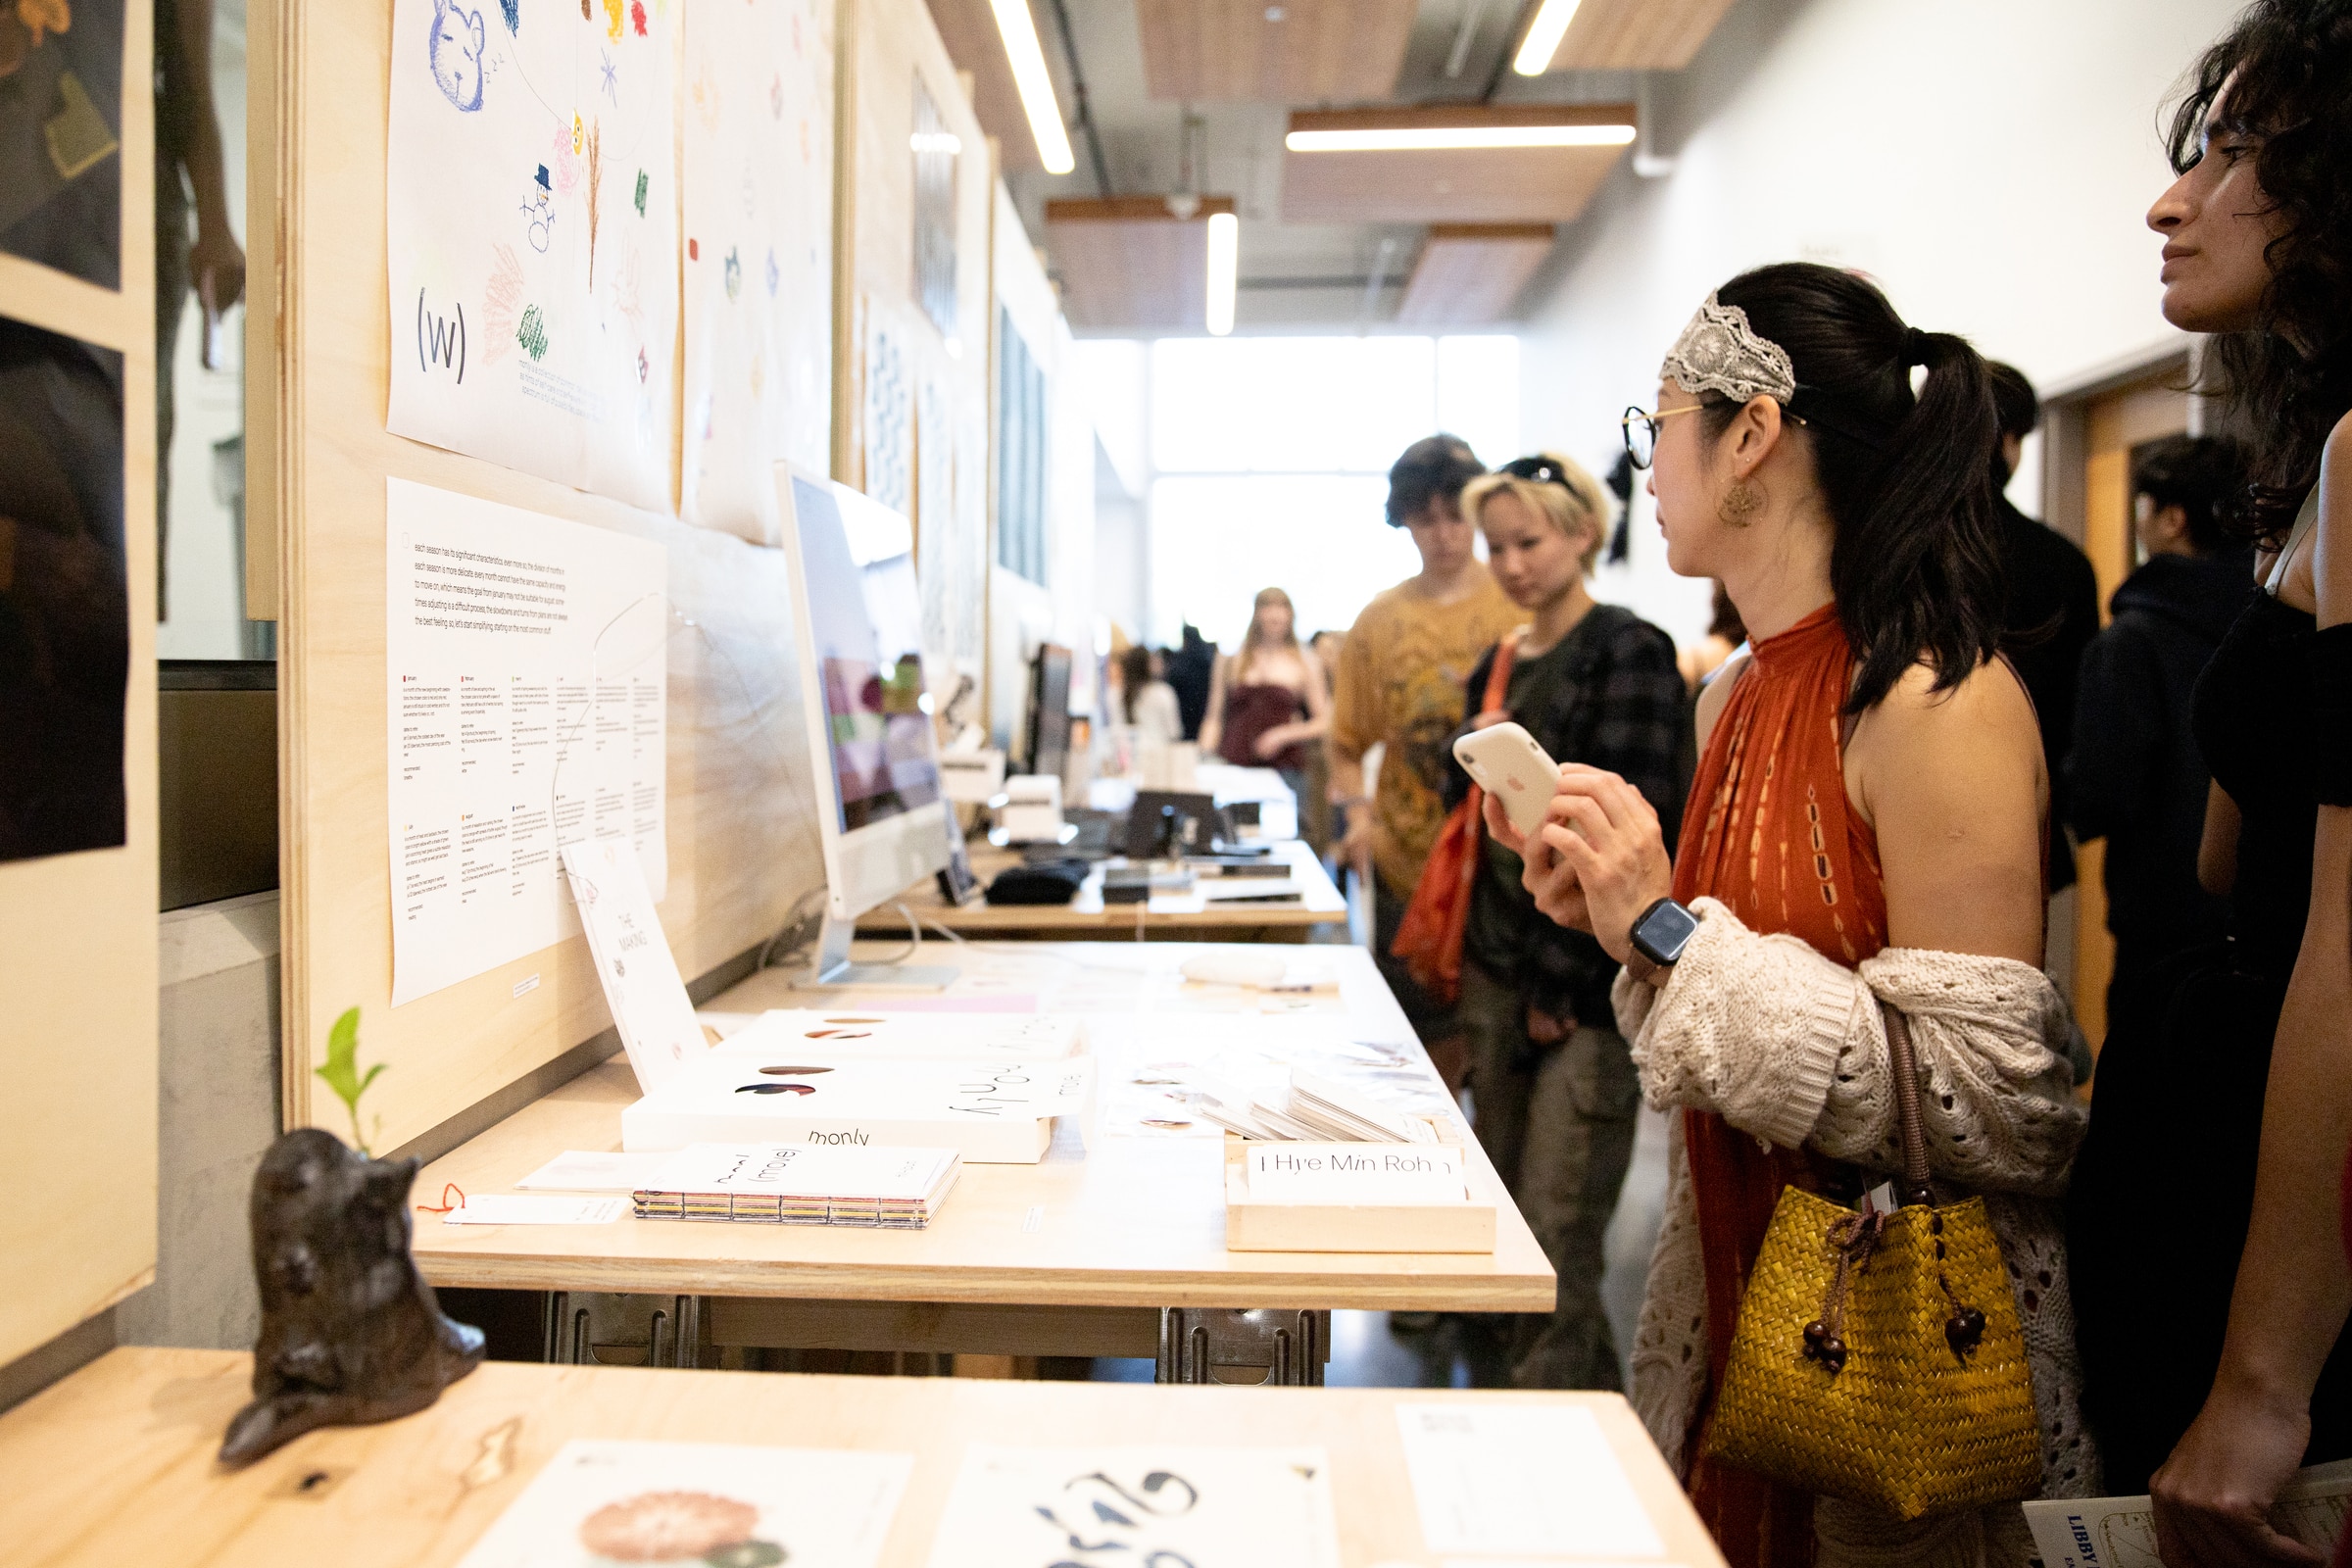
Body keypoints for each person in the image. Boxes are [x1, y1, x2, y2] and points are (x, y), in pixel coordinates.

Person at [1488, 265, 2094, 1565]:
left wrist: (1665, 933)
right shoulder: (1735, 700)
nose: (1646, 469)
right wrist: (1618, 918)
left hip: (1887, 1350)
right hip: (1735, 1286)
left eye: (1660, 431)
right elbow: (1714, 995)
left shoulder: (1937, 700)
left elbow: (1995, 1102)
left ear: (1752, 433)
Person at [2107, 9, 2352, 1561]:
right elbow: (2223, 849)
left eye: (2238, 152)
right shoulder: (2319, 458)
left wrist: (2264, 1383)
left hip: (2292, 1161)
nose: (2171, 199)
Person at [1443, 454, 1690, 1391]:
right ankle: (1561, 1429)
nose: (1510, 563)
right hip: (1497, 973)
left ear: (1583, 531)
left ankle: (1552, 1469)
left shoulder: (1628, 650)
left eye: (1529, 541)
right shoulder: (1498, 662)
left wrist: (1565, 978)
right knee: (1503, 1229)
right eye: (1496, 545)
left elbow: (1634, 837)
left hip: (1585, 988)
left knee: (1555, 1236)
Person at [1329, 435, 1519, 1075]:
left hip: (1497, 862)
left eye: (1454, 515)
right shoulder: (1378, 622)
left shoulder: (1515, 602)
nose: (1442, 534)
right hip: (1404, 859)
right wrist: (1358, 817)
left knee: (1491, 1043)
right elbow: (1346, 741)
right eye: (1425, 518)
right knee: (1409, 1047)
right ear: (1404, 519)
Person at [2065, 436, 2251, 1051]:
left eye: (2144, 507)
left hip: (2160, 930)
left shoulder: (2132, 641)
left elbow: (2102, 793)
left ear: (2172, 519)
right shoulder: (2271, 628)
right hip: (2265, 927)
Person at [1988, 363, 2100, 895]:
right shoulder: (2062, 562)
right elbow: (2079, 707)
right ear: (2009, 441)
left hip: (1882, 813)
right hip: (2026, 823)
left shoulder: (1889, 547)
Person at [1199, 587, 1331, 808]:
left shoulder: (1305, 662)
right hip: (1236, 764)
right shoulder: (1232, 659)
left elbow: (1324, 721)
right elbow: (1213, 717)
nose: (1275, 615)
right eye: (1268, 607)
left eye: (1281, 607)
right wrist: (1203, 756)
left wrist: (1282, 735)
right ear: (1257, 614)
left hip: (1285, 768)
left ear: (1290, 614)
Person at [1115, 645, 1184, 749]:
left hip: (1132, 753)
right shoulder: (1163, 692)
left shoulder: (1118, 694)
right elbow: (1174, 732)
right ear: (1147, 665)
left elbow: (1117, 730)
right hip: (1160, 753)